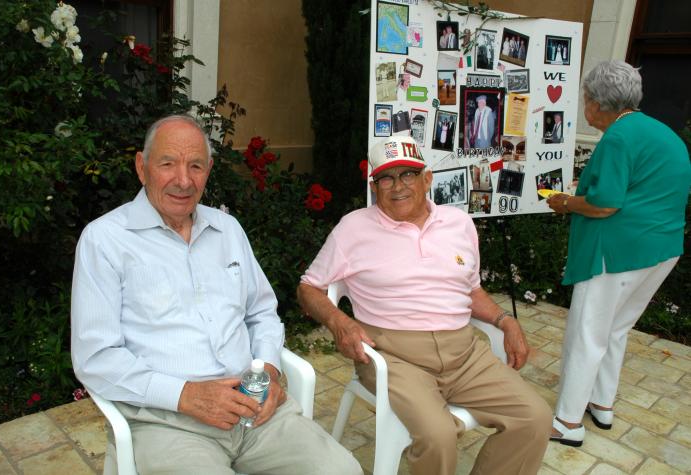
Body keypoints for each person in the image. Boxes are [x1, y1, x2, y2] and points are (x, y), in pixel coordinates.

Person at [71, 114, 362, 475]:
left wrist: (269, 372)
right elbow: (96, 357)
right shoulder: (105, 240)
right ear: (142, 167)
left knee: (341, 470)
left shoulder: (228, 230)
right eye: (167, 164)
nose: (183, 180)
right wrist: (186, 395)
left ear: (208, 170)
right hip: (169, 422)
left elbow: (262, 312)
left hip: (255, 412)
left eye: (195, 166)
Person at [298, 135, 551, 475]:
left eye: (408, 175)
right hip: (393, 355)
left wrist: (505, 321)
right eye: (386, 178)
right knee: (438, 434)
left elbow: (471, 290)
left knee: (534, 417)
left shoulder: (459, 223)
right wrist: (340, 322)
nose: (397, 186)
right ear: (375, 186)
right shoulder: (354, 228)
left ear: (427, 179)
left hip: (463, 353)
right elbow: (308, 287)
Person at [547, 60, 691, 447]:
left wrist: (565, 202)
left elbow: (605, 204)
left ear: (596, 102)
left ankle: (567, 422)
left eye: (585, 98)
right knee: (615, 329)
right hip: (661, 249)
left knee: (587, 333)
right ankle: (602, 404)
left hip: (619, 251)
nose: (584, 105)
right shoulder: (660, 132)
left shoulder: (618, 137)